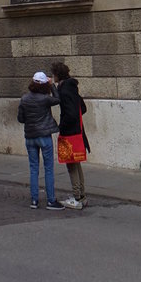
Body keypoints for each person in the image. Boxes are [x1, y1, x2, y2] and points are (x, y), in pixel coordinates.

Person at [17, 70, 63, 209]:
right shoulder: (45, 99)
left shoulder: (24, 99)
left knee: (33, 168)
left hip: (30, 137)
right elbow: (58, 99)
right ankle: (50, 200)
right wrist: (53, 85)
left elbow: (20, 119)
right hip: (44, 136)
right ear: (44, 85)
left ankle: (34, 200)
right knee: (48, 168)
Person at [50, 61, 89, 209]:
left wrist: (62, 126)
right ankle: (82, 195)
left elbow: (70, 114)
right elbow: (82, 108)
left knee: (71, 165)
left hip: (69, 133)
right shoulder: (73, 88)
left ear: (57, 75)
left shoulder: (64, 91)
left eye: (53, 74)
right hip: (78, 132)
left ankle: (77, 197)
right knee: (76, 163)